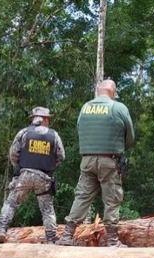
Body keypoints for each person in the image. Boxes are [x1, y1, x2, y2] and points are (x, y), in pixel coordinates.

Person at [56, 80, 135, 247]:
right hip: (109, 159)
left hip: (87, 159)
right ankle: (112, 240)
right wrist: (120, 148)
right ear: (112, 92)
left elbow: (79, 129)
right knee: (112, 198)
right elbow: (130, 137)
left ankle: (67, 236)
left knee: (82, 196)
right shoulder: (119, 108)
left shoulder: (85, 107)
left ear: (99, 91)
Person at [0, 107, 65, 244]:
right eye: (48, 119)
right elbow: (61, 156)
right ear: (45, 119)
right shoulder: (54, 135)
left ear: (34, 118)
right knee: (47, 208)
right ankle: (51, 238)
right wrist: (49, 167)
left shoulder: (24, 132)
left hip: (25, 174)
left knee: (11, 203)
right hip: (44, 177)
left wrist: (19, 168)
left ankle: (2, 230)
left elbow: (13, 154)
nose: (48, 121)